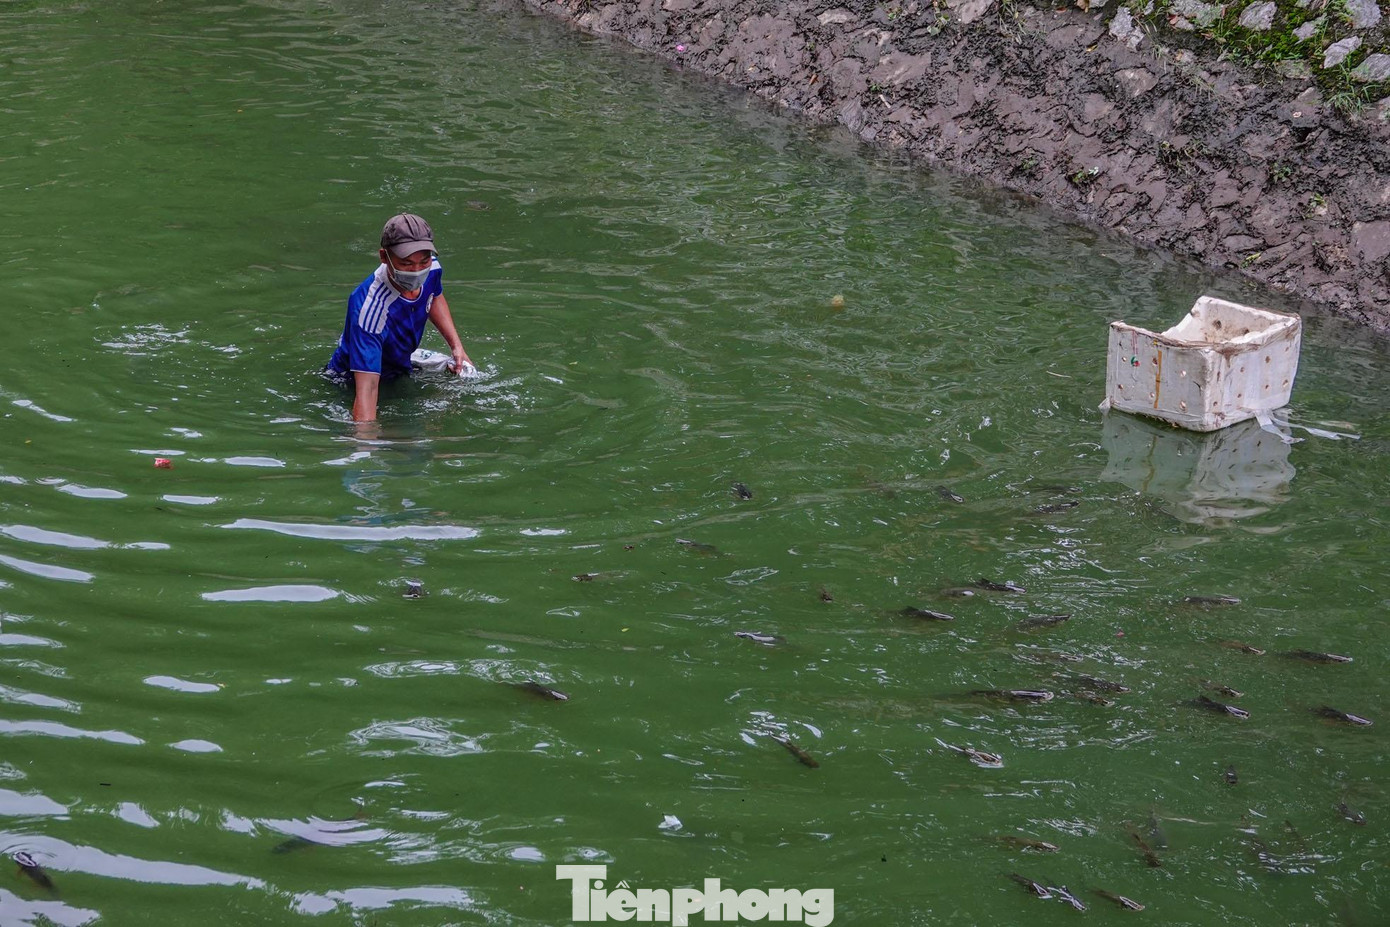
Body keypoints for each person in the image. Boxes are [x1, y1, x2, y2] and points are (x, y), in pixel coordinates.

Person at [326, 213, 473, 422]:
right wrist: (366, 446)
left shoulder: (432, 268)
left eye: (423, 261)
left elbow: (435, 296)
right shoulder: (369, 309)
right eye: (406, 264)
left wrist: (456, 346)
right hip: (353, 379)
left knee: (468, 375)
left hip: (400, 363)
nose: (417, 271)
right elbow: (367, 390)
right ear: (384, 257)